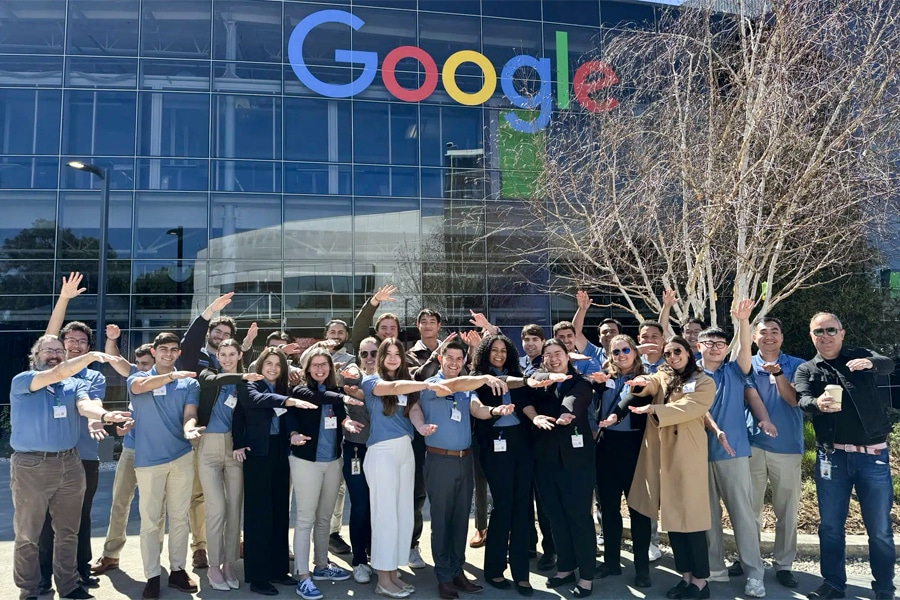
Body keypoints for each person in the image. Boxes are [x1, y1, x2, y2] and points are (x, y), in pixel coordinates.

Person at [10, 336, 130, 600]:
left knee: (68, 531)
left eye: (59, 351)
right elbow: (58, 372)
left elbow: (86, 404)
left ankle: (69, 585)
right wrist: (88, 357)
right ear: (36, 355)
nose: (54, 354)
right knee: (28, 533)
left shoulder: (73, 384)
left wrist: (104, 416)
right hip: (31, 465)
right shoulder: (23, 380)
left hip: (70, 463)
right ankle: (29, 589)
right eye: (48, 350)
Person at [795, 313, 896, 600]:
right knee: (829, 527)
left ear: (842, 333)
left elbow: (888, 365)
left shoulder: (860, 356)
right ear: (811, 336)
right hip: (832, 458)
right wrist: (817, 403)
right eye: (818, 332)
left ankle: (885, 588)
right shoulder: (807, 369)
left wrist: (872, 363)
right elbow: (801, 399)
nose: (825, 336)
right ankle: (834, 584)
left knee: (879, 529)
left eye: (830, 330)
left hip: (872, 456)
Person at [410, 339, 510, 600]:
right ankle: (444, 576)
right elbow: (452, 387)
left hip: (464, 460)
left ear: (465, 361)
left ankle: (457, 571)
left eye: (459, 359)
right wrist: (485, 378)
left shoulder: (468, 388)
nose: (454, 363)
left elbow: (477, 409)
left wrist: (495, 410)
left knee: (459, 520)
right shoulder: (432, 384)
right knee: (442, 521)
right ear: (440, 359)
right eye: (450, 358)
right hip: (439, 460)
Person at [358, 337, 450, 598]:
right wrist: (424, 384)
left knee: (402, 515)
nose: (392, 357)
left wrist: (421, 427)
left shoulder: (407, 387)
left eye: (396, 353)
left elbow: (414, 409)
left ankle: (391, 573)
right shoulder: (371, 380)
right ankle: (383, 579)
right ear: (380, 357)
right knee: (385, 517)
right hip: (382, 453)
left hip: (405, 450)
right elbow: (393, 386)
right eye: (387, 353)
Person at [626, 336, 715, 600]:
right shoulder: (664, 375)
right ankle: (685, 577)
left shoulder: (704, 381)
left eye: (678, 351)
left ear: (689, 352)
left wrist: (654, 408)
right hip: (665, 455)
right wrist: (641, 384)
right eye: (668, 353)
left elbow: (689, 407)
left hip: (687, 456)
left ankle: (700, 582)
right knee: (675, 520)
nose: (673, 356)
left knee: (692, 519)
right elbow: (651, 382)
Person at [696, 300, 768, 599]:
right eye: (709, 342)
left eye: (720, 343)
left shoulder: (734, 372)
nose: (716, 347)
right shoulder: (689, 375)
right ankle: (715, 568)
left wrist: (743, 322)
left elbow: (744, 354)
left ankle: (754, 574)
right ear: (698, 345)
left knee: (742, 515)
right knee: (707, 516)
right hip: (697, 455)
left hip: (733, 452)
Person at [128, 332, 202, 600]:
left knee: (180, 517)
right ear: (154, 351)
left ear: (178, 354)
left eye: (173, 350)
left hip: (181, 456)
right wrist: (171, 376)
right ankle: (152, 576)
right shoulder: (137, 378)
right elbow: (139, 389)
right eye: (163, 349)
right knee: (150, 522)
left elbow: (190, 413)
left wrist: (189, 429)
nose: (168, 354)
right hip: (148, 462)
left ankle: (178, 570)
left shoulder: (188, 384)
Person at [286, 348, 365, 600]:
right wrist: (293, 434)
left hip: (333, 461)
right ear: (307, 368)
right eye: (315, 365)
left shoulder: (333, 395)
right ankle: (302, 576)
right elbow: (310, 402)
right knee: (305, 520)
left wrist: (346, 423)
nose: (320, 369)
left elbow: (339, 415)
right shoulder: (300, 390)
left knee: (324, 519)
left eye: (324, 365)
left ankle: (321, 566)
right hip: (306, 462)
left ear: (330, 368)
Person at [236, 347, 315, 596]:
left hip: (280, 453)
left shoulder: (283, 388)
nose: (272, 368)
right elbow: (254, 403)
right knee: (259, 516)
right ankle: (259, 576)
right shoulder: (251, 385)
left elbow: (289, 417)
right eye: (268, 363)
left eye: (277, 365)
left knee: (280, 512)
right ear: (260, 365)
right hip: (257, 455)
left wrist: (293, 433)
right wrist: (288, 400)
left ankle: (279, 570)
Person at [521, 338, 595, 597]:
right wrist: (535, 416)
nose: (554, 358)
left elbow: (576, 400)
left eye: (558, 353)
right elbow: (525, 398)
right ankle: (565, 567)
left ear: (568, 356)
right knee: (555, 517)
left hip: (576, 464)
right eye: (548, 354)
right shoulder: (539, 382)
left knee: (579, 518)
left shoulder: (581, 382)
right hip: (545, 462)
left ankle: (586, 575)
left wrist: (566, 413)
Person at [469, 334, 538, 596]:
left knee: (522, 507)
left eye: (503, 350)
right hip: (494, 446)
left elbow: (527, 400)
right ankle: (494, 570)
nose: (499, 354)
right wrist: (495, 411)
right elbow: (476, 408)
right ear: (485, 352)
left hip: (521, 444)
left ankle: (521, 574)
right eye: (494, 350)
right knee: (503, 506)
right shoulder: (478, 377)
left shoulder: (517, 375)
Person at [196, 338, 264, 591]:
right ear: (217, 355)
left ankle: (228, 564)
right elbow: (211, 382)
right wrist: (241, 377)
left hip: (235, 447)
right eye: (222, 354)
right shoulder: (208, 374)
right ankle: (214, 565)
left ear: (239, 355)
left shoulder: (247, 382)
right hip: (209, 447)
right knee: (216, 508)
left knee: (235, 506)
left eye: (231, 354)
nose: (226, 358)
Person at [744, 315, 806, 589]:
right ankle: (749, 560)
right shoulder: (745, 365)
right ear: (754, 337)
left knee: (787, 510)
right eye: (763, 332)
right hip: (753, 445)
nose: (769, 336)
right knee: (750, 509)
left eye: (775, 331)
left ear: (782, 336)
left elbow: (795, 400)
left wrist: (778, 373)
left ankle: (783, 564)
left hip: (787, 447)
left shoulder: (797, 365)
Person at [91, 338, 162, 576]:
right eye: (138, 363)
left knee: (156, 509)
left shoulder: (165, 380)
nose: (141, 368)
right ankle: (111, 555)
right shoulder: (134, 375)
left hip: (158, 452)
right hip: (132, 449)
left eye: (146, 364)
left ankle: (155, 557)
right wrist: (112, 339)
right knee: (120, 501)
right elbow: (114, 357)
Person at [594, 334, 652, 588]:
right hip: (606, 446)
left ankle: (642, 568)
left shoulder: (647, 377)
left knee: (638, 510)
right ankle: (611, 563)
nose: (620, 355)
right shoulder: (605, 376)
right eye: (615, 352)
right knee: (608, 508)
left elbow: (633, 399)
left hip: (636, 447)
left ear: (635, 352)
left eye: (625, 350)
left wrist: (615, 416)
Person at [341, 338, 378, 583]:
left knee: (379, 506)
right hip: (356, 451)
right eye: (364, 353)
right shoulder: (349, 378)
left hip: (382, 451)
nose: (369, 358)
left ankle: (377, 554)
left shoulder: (387, 381)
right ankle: (359, 560)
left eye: (374, 352)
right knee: (361, 505)